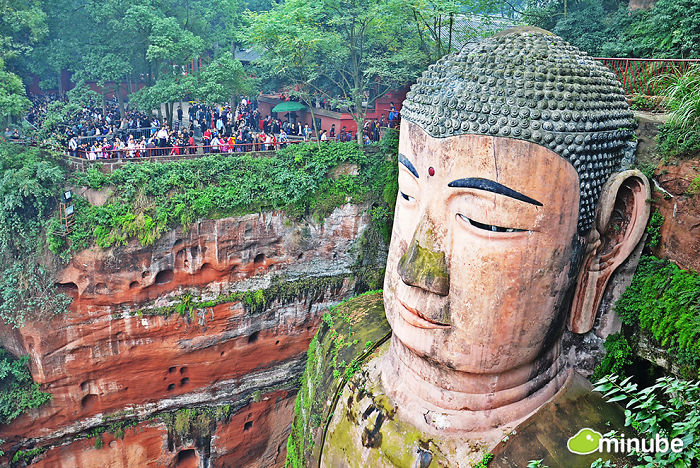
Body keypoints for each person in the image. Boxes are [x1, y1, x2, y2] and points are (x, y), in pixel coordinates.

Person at [290, 28, 650, 467]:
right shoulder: (341, 343)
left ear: (610, 237)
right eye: (407, 193)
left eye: (485, 221)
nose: (415, 268)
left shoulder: (597, 453)